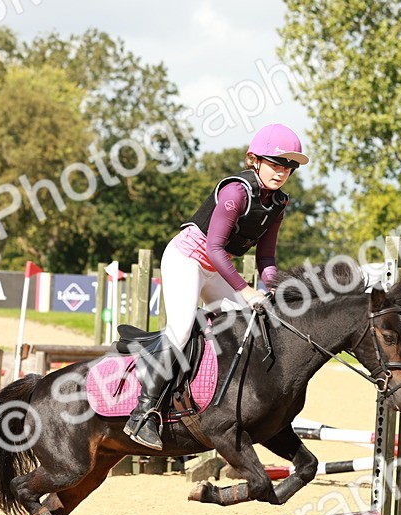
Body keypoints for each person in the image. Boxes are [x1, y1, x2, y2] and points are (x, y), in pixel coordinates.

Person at [124, 123, 309, 449]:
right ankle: (143, 413)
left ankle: (226, 406)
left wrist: (272, 289)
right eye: (276, 164)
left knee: (249, 326)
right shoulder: (236, 191)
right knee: (181, 330)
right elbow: (213, 248)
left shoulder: (277, 203)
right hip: (187, 259)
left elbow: (266, 257)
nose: (282, 173)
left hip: (217, 269)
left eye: (288, 168)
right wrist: (245, 289)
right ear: (254, 160)